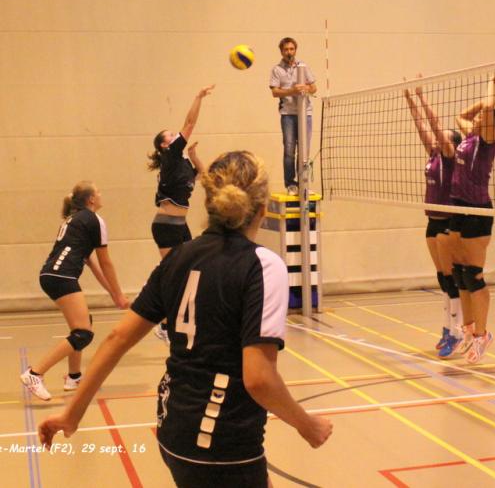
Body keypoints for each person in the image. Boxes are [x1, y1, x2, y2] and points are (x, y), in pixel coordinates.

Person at [38, 151, 333, 488]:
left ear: (208, 203)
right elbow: (259, 378)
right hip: (223, 443)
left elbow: (117, 338)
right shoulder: (263, 266)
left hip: (173, 430)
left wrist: (72, 413)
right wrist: (307, 425)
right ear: (263, 211)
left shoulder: (178, 257)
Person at [20, 181, 129, 401]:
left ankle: (74, 377)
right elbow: (106, 262)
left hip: (52, 275)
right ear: (91, 199)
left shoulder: (76, 220)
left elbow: (92, 264)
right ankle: (35, 374)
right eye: (98, 192)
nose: (101, 194)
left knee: (83, 324)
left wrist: (112, 294)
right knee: (83, 334)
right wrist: (119, 294)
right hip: (62, 277)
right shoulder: (94, 220)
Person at [147, 85, 215, 342]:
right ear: (165, 145)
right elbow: (189, 123)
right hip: (165, 226)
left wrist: (194, 155)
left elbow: (204, 175)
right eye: (171, 135)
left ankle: (180, 318)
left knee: (192, 270)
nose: (176, 135)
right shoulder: (170, 156)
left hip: (180, 225)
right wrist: (198, 97)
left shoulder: (182, 162)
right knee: (174, 274)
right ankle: (164, 324)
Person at [403, 79, 463, 358]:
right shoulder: (434, 154)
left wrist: (422, 96)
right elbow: (421, 126)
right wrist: (409, 99)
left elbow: (435, 125)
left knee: (451, 278)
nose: (439, 138)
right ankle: (447, 328)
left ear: (453, 144)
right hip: (433, 219)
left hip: (449, 220)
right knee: (441, 277)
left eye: (444, 137)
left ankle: (457, 332)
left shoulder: (450, 156)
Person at [448, 71, 495, 364]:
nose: (479, 116)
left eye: (485, 116)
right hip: (459, 207)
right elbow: (461, 115)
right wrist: (484, 105)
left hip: (477, 210)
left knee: (473, 275)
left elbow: (490, 109)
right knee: (458, 272)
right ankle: (468, 329)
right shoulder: (470, 135)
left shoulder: (488, 141)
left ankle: (482, 335)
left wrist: (492, 82)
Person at [269, 37, 316, 195]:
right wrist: (292, 91)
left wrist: (306, 88)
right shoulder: (277, 70)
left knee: (304, 150)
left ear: (295, 50)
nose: (289, 52)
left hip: (305, 113)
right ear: (281, 51)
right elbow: (275, 92)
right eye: (286, 49)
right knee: (289, 149)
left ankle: (303, 184)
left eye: (291, 49)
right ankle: (290, 184)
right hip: (288, 114)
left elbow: (314, 87)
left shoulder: (303, 67)